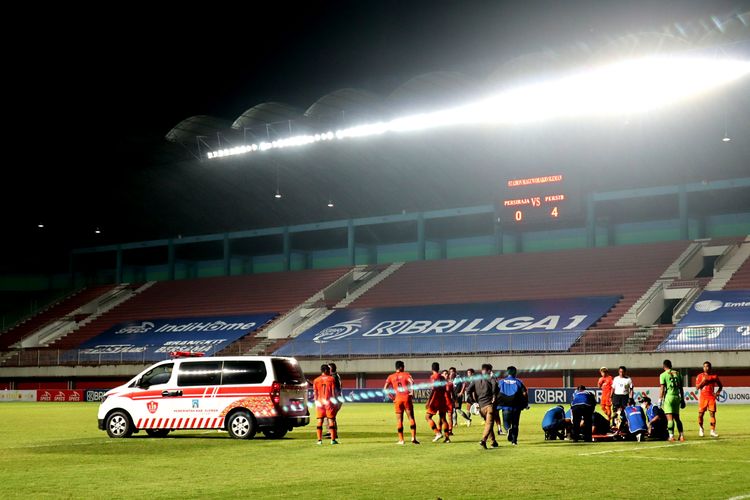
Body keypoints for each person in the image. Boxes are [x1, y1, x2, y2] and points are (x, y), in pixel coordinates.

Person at [383, 360, 419, 445]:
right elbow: (412, 382)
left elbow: (385, 389)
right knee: (411, 418)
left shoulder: (391, 376)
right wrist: (412, 392)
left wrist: (391, 397)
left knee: (399, 420)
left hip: (398, 399)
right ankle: (413, 438)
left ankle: (401, 440)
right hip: (406, 397)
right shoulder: (406, 374)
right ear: (401, 367)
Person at [465, 363, 499, 449]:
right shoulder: (490, 378)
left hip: (481, 407)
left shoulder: (476, 380)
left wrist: (473, 402)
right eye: (490, 370)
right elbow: (495, 385)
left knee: (488, 424)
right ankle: (483, 440)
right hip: (489, 405)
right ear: (488, 371)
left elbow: (468, 390)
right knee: (489, 424)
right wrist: (494, 395)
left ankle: (493, 441)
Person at [497, 366, 528, 446]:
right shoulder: (518, 382)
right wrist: (525, 404)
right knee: (515, 424)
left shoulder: (501, 382)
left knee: (506, 423)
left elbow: (496, 391)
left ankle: (508, 430)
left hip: (505, 406)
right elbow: (524, 393)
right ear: (515, 373)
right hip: (516, 406)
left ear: (507, 373)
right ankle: (514, 441)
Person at [659, 359, 686, 442]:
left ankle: (671, 436)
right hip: (677, 397)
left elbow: (662, 388)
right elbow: (681, 388)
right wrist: (682, 399)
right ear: (671, 365)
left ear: (664, 366)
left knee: (670, 419)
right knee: (677, 418)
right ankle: (681, 436)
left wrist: (660, 399)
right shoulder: (678, 374)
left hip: (669, 397)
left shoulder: (663, 375)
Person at [313, 364, 338, 445]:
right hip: (329, 402)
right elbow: (333, 392)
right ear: (327, 370)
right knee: (331, 420)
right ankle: (333, 440)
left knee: (320, 420)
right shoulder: (331, 379)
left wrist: (316, 402)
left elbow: (315, 393)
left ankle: (319, 441)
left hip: (320, 402)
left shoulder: (316, 380)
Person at [696, 361, 723, 438]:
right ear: (703, 367)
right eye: (704, 366)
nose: (705, 368)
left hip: (711, 398)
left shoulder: (714, 376)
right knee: (700, 415)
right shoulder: (700, 376)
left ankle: (712, 431)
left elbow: (721, 386)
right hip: (703, 398)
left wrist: (717, 392)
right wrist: (703, 381)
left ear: (710, 367)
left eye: (707, 366)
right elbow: (697, 387)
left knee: (712, 414)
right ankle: (701, 428)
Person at [425, 362, 449, 443]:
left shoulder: (433, 376)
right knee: (443, 419)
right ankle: (447, 438)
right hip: (442, 399)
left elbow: (433, 389)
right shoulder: (442, 378)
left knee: (427, 417)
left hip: (435, 399)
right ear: (438, 368)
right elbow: (445, 388)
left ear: (432, 369)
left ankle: (437, 433)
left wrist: (429, 400)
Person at [324, 362, 343, 439]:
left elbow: (335, 388)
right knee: (329, 416)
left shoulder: (333, 377)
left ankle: (333, 433)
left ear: (331, 368)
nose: (327, 369)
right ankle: (330, 432)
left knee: (331, 416)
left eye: (328, 368)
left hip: (335, 399)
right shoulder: (335, 376)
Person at [441, 369, 455, 438]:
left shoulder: (450, 384)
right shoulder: (439, 384)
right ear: (442, 375)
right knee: (441, 418)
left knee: (450, 417)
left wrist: (454, 401)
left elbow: (453, 393)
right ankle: (439, 431)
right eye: (445, 374)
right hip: (442, 403)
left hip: (449, 402)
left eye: (447, 374)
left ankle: (450, 431)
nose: (447, 375)